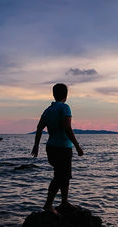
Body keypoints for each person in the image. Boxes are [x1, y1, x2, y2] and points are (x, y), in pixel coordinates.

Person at [31, 83, 84, 216]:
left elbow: (39, 128)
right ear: (66, 95)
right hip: (63, 148)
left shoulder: (48, 110)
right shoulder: (65, 108)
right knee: (60, 177)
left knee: (64, 176)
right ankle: (48, 204)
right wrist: (77, 146)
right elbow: (67, 128)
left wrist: (36, 145)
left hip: (51, 148)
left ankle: (64, 202)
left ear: (54, 94)